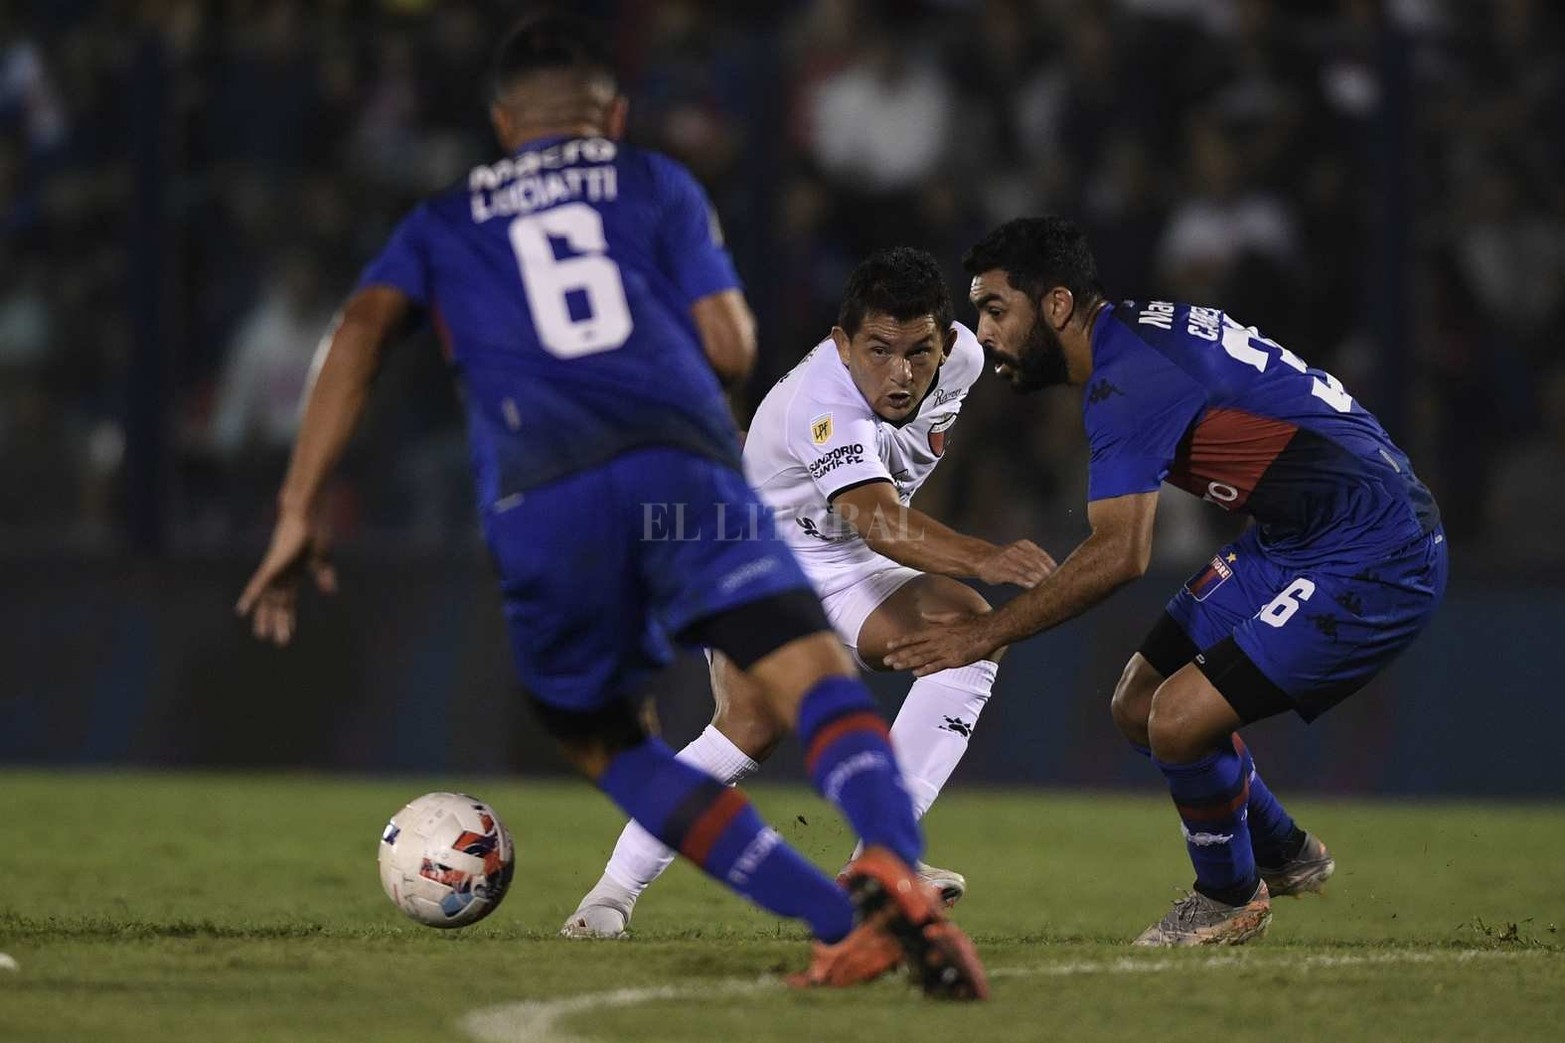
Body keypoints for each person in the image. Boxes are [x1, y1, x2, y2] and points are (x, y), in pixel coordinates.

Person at [234, 15, 987, 999]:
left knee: (613, 742)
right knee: (814, 679)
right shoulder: (656, 184)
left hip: (544, 495)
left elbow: (359, 334)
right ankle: (892, 874)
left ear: (505, 122)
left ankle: (829, 913)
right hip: (683, 472)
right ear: (615, 114)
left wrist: (299, 506)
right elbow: (725, 341)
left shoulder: (444, 220)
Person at [885, 216, 1447, 946]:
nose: (982, 333)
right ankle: (1279, 850)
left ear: (1055, 305)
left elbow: (1120, 553)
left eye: (995, 309)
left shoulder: (1127, 379)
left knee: (1179, 719)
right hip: (1296, 535)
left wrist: (984, 633)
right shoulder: (1138, 335)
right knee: (1137, 701)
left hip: (1376, 549)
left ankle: (1226, 896)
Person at [562, 247, 1054, 938]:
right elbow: (877, 517)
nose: (901, 372)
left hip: (844, 558)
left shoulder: (965, 361)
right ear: (840, 343)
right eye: (878, 350)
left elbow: (888, 495)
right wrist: (985, 554)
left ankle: (878, 861)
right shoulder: (822, 402)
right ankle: (605, 900)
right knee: (746, 729)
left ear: (945, 341)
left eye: (919, 351)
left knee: (964, 632)